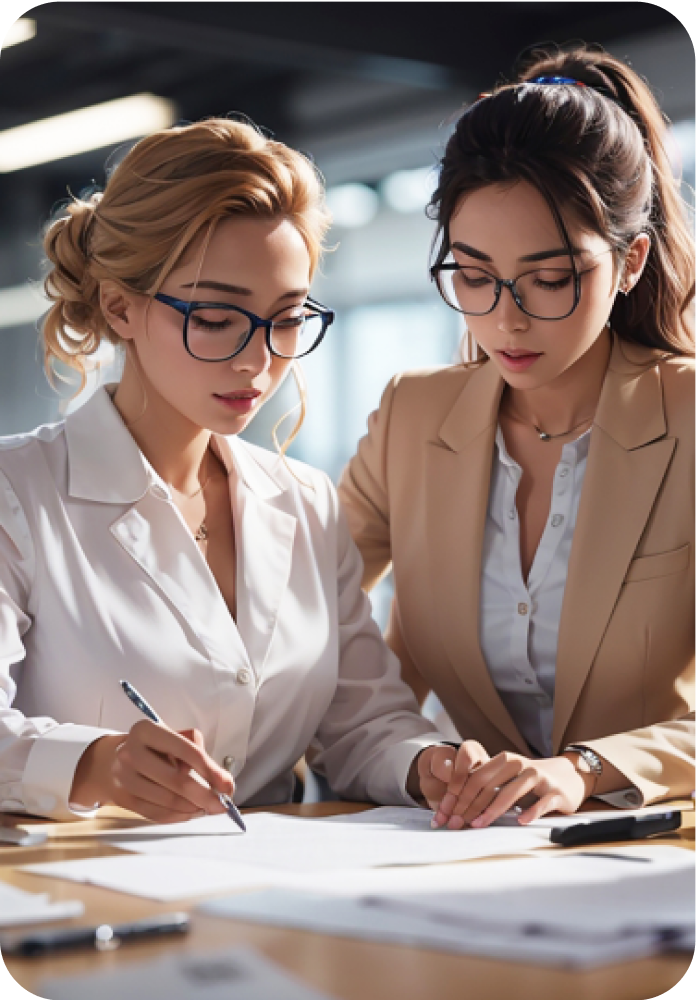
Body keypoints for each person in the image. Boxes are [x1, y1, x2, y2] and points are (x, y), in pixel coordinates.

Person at [0, 117, 454, 824]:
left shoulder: (306, 504)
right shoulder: (18, 493)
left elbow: (364, 727)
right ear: (121, 306)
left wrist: (434, 766)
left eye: (287, 318)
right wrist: (93, 765)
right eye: (216, 317)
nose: (258, 359)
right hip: (76, 897)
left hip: (271, 896)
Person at [338, 43, 696, 831]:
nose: (505, 319)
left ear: (629, 262)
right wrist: (415, 758)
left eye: (551, 277)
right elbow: (309, 629)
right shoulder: (411, 417)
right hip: (464, 853)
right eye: (472, 275)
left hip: (659, 856)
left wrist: (585, 771)